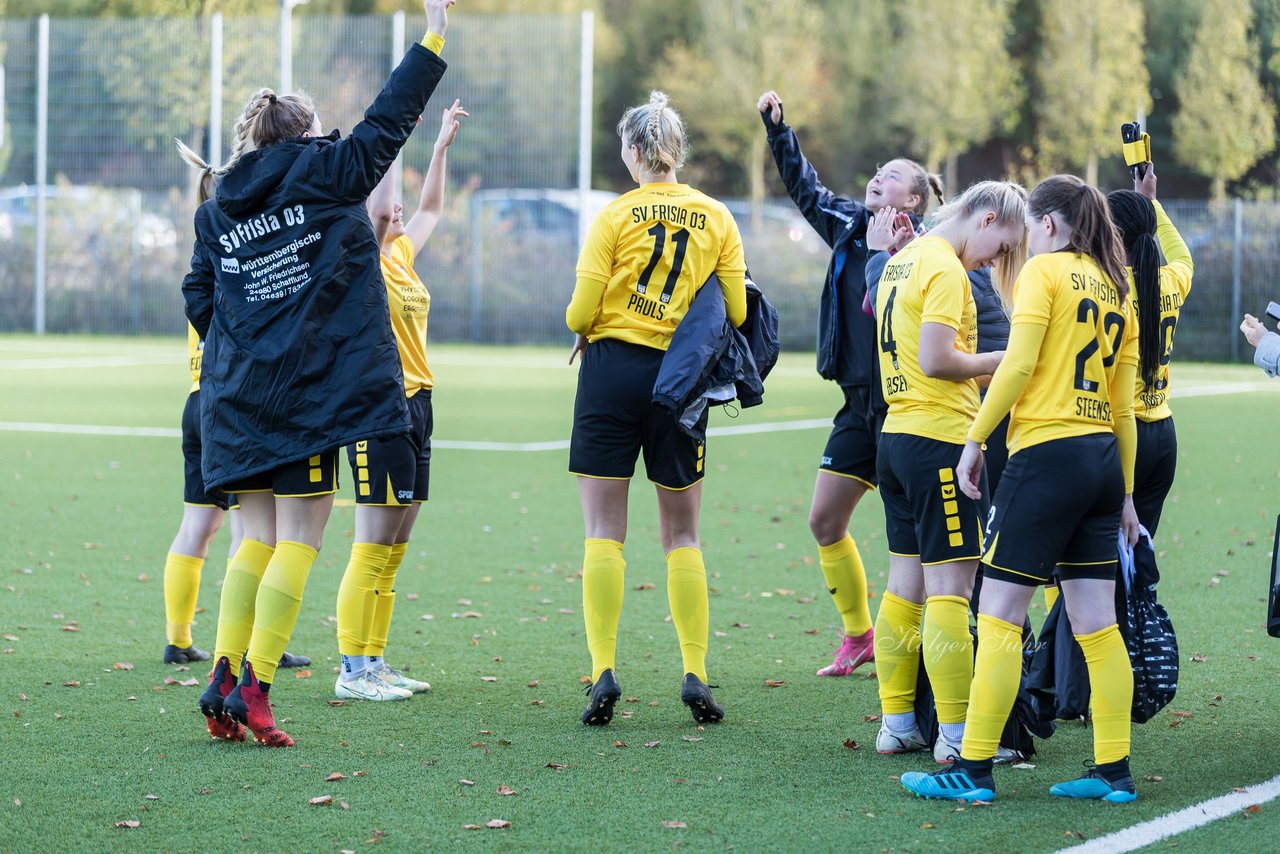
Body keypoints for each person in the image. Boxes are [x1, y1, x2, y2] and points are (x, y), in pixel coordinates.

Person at [185, 0, 454, 747]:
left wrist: (245, 342)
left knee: (253, 544)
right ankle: (257, 691)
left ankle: (221, 677)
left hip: (236, 400)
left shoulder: (215, 210)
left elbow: (196, 297)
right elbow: (389, 118)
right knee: (301, 539)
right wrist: (434, 33)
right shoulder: (327, 171)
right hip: (304, 398)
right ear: (304, 135)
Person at [901, 175, 1141, 804]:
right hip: (1101, 462)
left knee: (998, 615)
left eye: (1031, 228)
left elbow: (1020, 363)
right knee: (1097, 623)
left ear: (1051, 224)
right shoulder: (1120, 287)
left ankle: (971, 769)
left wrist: (976, 439)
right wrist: (1127, 493)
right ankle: (1113, 771)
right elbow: (1124, 407)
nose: (1025, 242)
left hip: (1048, 458)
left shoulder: (1047, 272)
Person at [568, 91, 746, 726]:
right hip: (681, 379)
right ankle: (695, 672)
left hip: (612, 373)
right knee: (683, 533)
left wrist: (597, 321)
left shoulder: (615, 216)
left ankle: (604, 670)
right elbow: (738, 309)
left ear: (637, 152)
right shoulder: (718, 215)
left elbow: (578, 315)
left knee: (603, 531)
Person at [757, 90, 944, 677]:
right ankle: (861, 636)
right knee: (824, 520)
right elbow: (804, 188)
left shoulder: (932, 249)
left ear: (912, 199)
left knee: (918, 543)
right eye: (876, 175)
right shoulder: (847, 224)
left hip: (912, 411)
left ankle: (941, 652)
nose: (876, 181)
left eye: (890, 178)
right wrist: (778, 131)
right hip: (860, 406)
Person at [867, 182, 1025, 762]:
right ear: (985, 220)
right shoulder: (944, 268)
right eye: (1001, 247)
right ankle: (956, 738)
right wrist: (1005, 361)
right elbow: (937, 359)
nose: (994, 262)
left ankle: (897, 722)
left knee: (903, 589)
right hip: (936, 439)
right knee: (950, 593)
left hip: (897, 439)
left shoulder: (902, 259)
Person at [333, 98, 467, 702]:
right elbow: (383, 203)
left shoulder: (403, 254)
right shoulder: (359, 261)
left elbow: (432, 206)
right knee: (371, 541)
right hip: (379, 409)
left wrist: (435, 148)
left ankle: (375, 660)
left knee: (396, 542)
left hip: (419, 406)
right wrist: (396, 141)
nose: (397, 212)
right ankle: (351, 670)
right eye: (387, 209)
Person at [1107, 163, 1193, 537]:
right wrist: (1152, 203)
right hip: (1163, 437)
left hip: (1122, 435)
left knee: (1091, 567)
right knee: (1136, 559)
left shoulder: (1108, 289)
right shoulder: (1171, 281)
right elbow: (1183, 257)